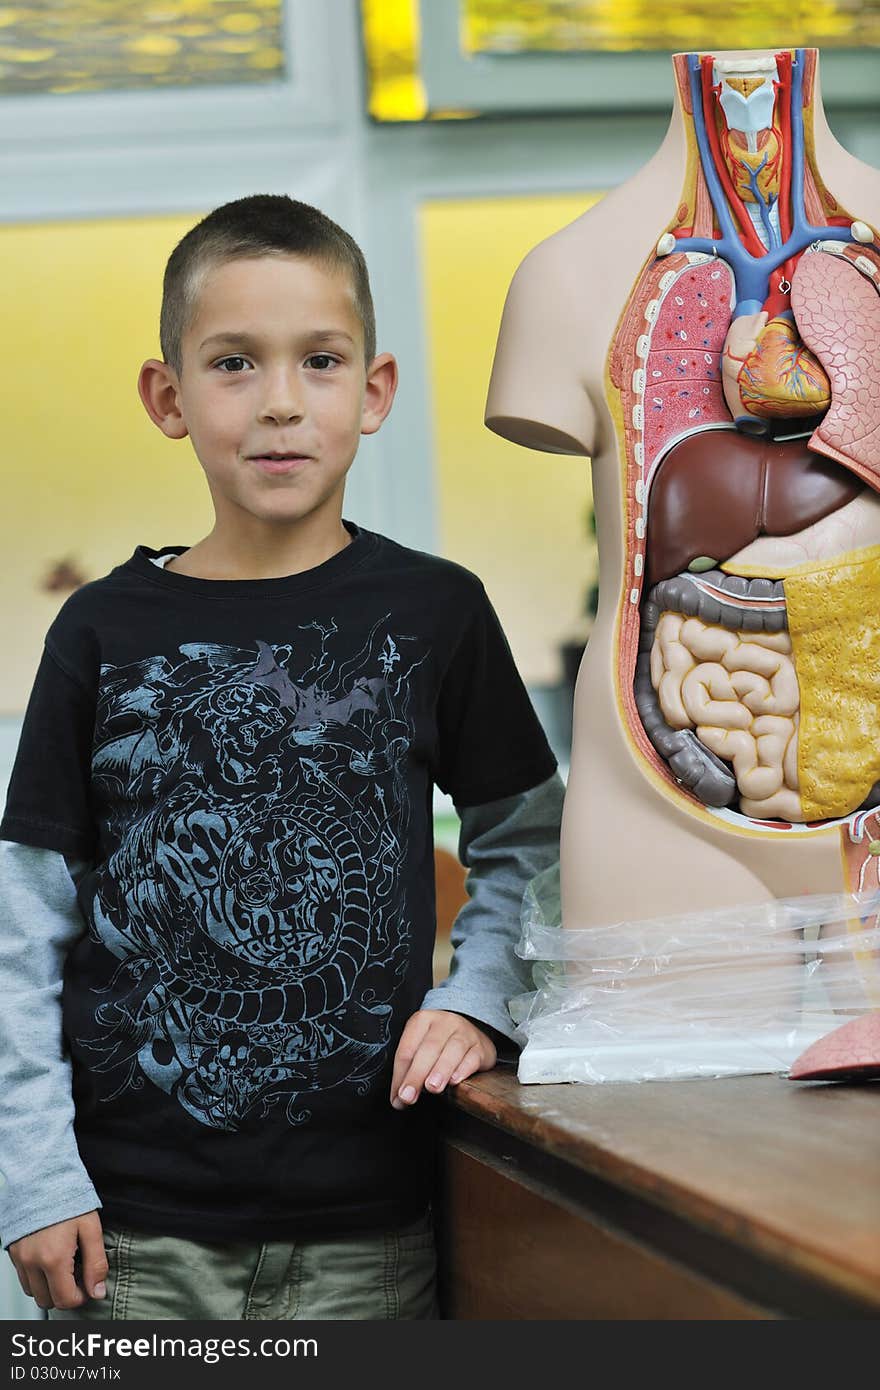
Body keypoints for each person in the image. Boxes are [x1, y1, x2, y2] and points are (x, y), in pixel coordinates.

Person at [0, 194, 563, 1321]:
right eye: (232, 363)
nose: (279, 404)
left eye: (318, 360)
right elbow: (23, 924)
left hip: (370, 1227)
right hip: (129, 1233)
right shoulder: (100, 631)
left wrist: (482, 997)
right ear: (169, 397)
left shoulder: (437, 612)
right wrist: (32, 1177)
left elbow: (528, 844)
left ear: (374, 389)